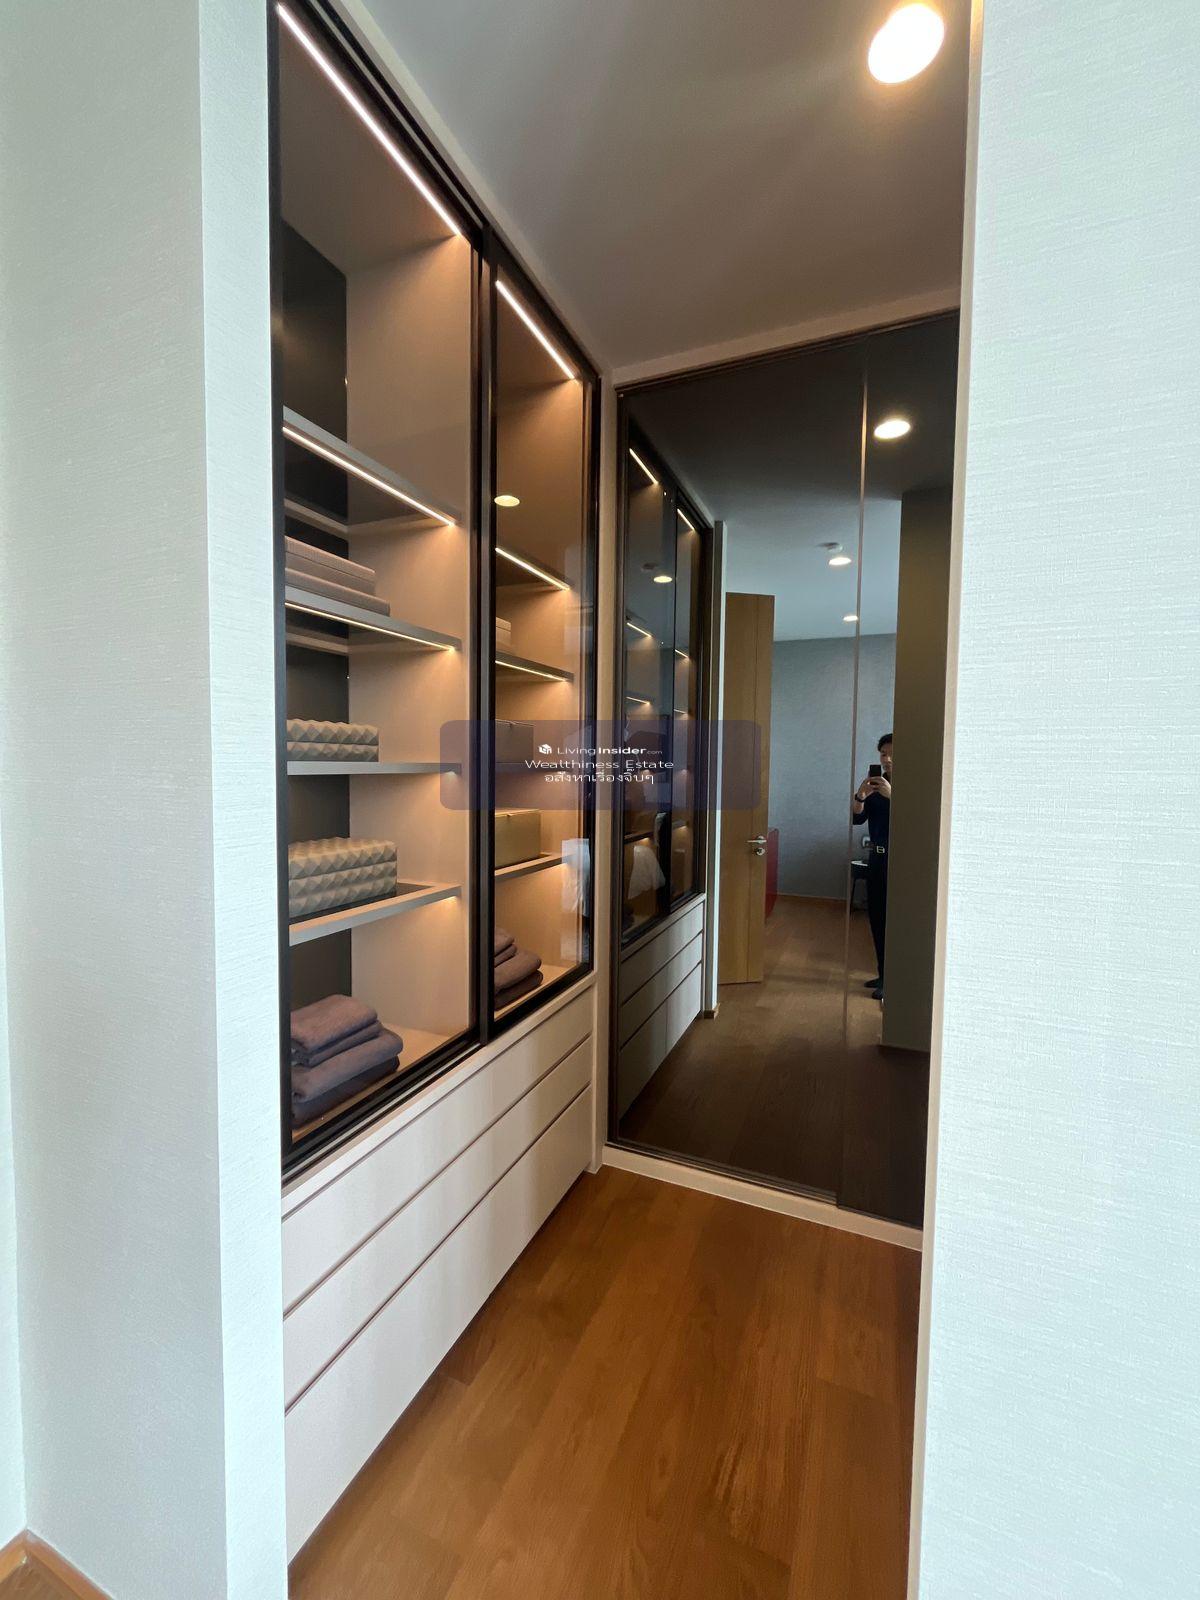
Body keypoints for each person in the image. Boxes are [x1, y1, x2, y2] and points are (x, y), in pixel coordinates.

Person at [853, 732, 892, 1001]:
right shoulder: (875, 786)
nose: (887, 759)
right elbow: (857, 819)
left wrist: (892, 795)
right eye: (883, 754)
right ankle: (883, 974)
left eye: (893, 754)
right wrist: (861, 795)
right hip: (876, 858)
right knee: (876, 917)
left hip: (899, 860)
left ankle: (895, 979)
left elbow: (917, 818)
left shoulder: (913, 784)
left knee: (894, 921)